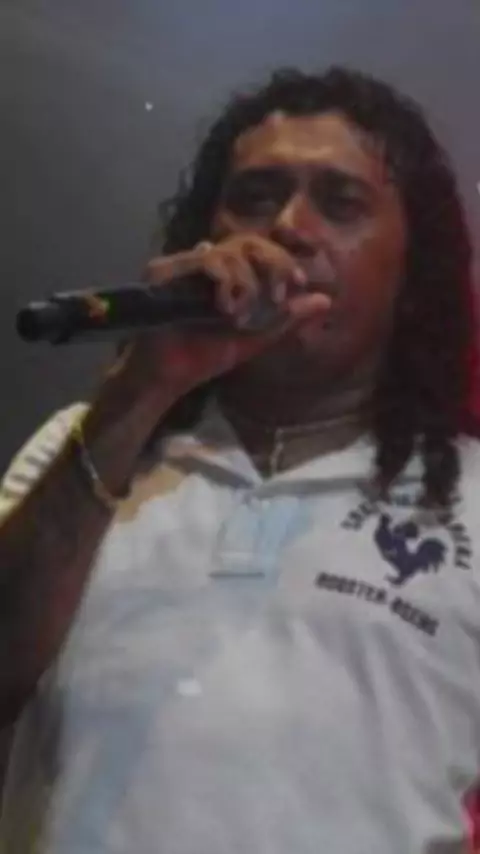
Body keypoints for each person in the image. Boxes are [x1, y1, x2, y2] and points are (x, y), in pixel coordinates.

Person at [0, 66, 479, 854]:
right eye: (255, 197)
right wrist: (138, 393)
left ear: (413, 271)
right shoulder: (84, 444)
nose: (288, 227)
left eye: (340, 203)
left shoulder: (470, 497)